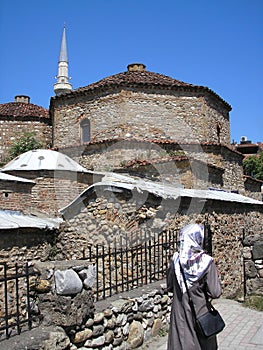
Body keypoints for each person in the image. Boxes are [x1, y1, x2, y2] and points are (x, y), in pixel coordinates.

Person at [166, 223, 222, 350]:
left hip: (180, 314)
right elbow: (215, 292)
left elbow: (169, 286)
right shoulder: (206, 262)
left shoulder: (175, 260)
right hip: (200, 314)